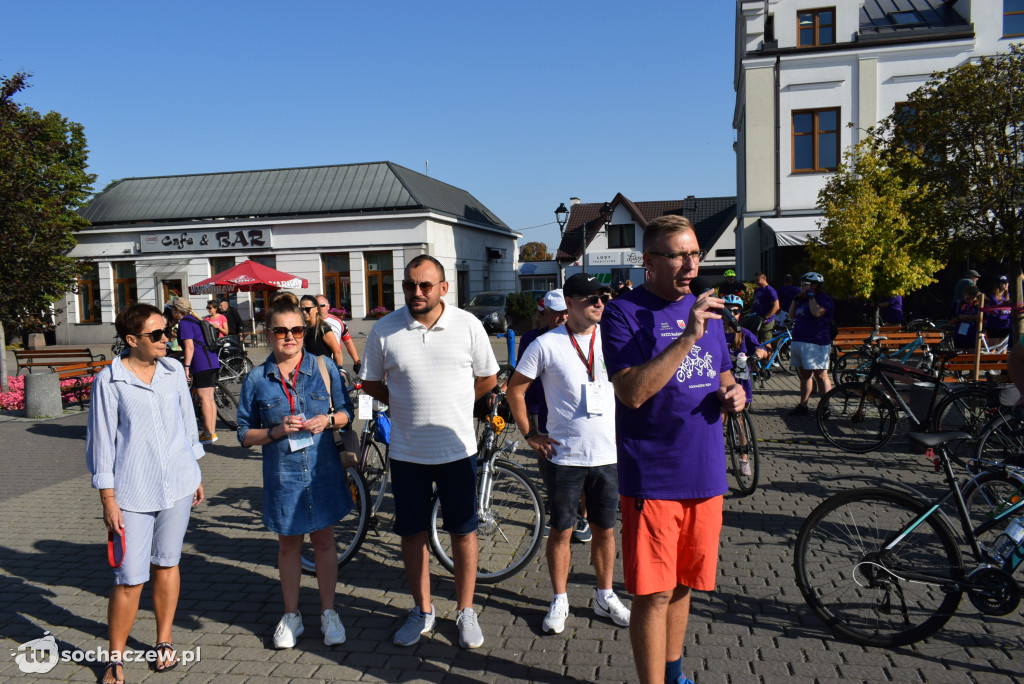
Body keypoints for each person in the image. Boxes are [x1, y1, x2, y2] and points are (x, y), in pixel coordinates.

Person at [601, 215, 745, 684]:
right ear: (649, 262)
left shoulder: (710, 311)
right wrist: (687, 336)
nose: (691, 264)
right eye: (679, 255)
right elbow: (632, 393)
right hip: (654, 476)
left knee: (685, 585)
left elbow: (722, 374)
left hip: (704, 473)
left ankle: (675, 673)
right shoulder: (624, 313)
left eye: (695, 253)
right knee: (654, 593)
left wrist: (734, 393)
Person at [359, 254, 498, 649]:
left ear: (443, 288)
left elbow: (488, 377)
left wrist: (457, 404)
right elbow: (371, 383)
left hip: (457, 450)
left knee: (464, 531)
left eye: (424, 285)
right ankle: (422, 609)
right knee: (411, 533)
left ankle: (466, 610)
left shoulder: (468, 325)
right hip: (407, 453)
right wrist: (401, 404)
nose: (415, 292)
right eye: (408, 285)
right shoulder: (385, 330)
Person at [86, 303, 205, 684]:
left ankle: (164, 641)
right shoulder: (110, 380)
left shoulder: (172, 371)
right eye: (157, 335)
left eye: (166, 331)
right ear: (132, 340)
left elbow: (188, 423)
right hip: (132, 493)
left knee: (167, 563)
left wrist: (196, 472)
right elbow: (101, 443)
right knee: (129, 577)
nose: (166, 338)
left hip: (179, 485)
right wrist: (108, 499)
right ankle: (115, 658)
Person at [506, 273, 631, 635]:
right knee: (561, 530)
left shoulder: (613, 338)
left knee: (604, 530)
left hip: (607, 454)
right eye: (592, 298)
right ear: (572, 303)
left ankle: (604, 595)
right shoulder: (546, 344)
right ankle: (559, 598)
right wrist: (530, 434)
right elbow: (515, 390)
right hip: (564, 456)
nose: (600, 304)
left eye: (603, 297)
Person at [236, 295, 355, 649]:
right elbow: (243, 433)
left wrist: (329, 419)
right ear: (268, 335)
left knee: (324, 541)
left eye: (297, 330)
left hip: (322, 470)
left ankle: (329, 611)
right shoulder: (257, 379)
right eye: (282, 331)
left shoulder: (323, 366)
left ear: (306, 331)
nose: (290, 337)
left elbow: (347, 412)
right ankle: (292, 615)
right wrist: (275, 431)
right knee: (288, 545)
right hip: (284, 473)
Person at [723, 294, 768, 476]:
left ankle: (744, 458)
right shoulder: (714, 330)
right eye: (728, 310)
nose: (732, 314)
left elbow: (762, 349)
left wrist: (757, 355)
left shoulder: (743, 333)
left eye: (736, 311)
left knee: (741, 422)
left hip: (740, 384)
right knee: (718, 421)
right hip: (720, 386)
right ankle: (715, 457)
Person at [169, 298, 220, 444]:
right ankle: (211, 432)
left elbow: (190, 347)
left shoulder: (184, 323)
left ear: (177, 311)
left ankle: (208, 433)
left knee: (204, 399)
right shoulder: (195, 320)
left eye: (172, 309)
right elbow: (196, 344)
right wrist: (178, 354)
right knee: (209, 399)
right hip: (211, 361)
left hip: (201, 363)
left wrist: (186, 366)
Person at [787, 273, 834, 416]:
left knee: (820, 375)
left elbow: (817, 313)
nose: (801, 287)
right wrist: (795, 300)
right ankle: (803, 405)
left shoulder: (823, 299)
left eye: (805, 284)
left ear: (814, 286)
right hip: (800, 342)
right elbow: (791, 315)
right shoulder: (803, 300)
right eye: (801, 284)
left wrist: (812, 296)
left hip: (816, 343)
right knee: (805, 375)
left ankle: (825, 407)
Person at [316, 295, 361, 373]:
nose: (319, 308)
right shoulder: (308, 323)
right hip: (315, 363)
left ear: (328, 306)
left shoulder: (338, 322)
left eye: (322, 305)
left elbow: (348, 342)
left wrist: (357, 362)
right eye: (316, 305)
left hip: (335, 363)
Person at [300, 294, 346, 369]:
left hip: (324, 371)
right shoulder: (305, 329)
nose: (304, 312)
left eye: (307, 309)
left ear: (317, 309)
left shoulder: (323, 328)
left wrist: (339, 370)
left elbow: (337, 352)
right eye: (302, 309)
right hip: (309, 372)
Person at [750, 272, 779, 343]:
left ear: (764, 279)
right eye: (755, 280)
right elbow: (754, 303)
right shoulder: (757, 290)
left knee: (766, 342)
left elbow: (776, 306)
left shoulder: (770, 290)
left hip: (766, 321)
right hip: (757, 319)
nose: (756, 282)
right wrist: (750, 314)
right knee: (757, 341)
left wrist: (766, 317)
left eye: (757, 280)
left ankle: (770, 354)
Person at [953, 284, 981, 349]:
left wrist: (977, 318)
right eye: (968, 298)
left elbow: (985, 320)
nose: (970, 300)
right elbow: (950, 321)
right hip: (960, 335)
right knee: (960, 355)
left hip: (973, 335)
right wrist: (960, 318)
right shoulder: (958, 304)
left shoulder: (979, 305)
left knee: (972, 356)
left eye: (973, 298)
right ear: (964, 294)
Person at [986, 276, 1012, 345]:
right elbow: (995, 311)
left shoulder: (1008, 295)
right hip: (995, 325)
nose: (1006, 284)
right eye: (1003, 283)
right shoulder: (993, 297)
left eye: (1007, 282)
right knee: (993, 349)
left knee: (1003, 349)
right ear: (998, 284)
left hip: (1006, 325)